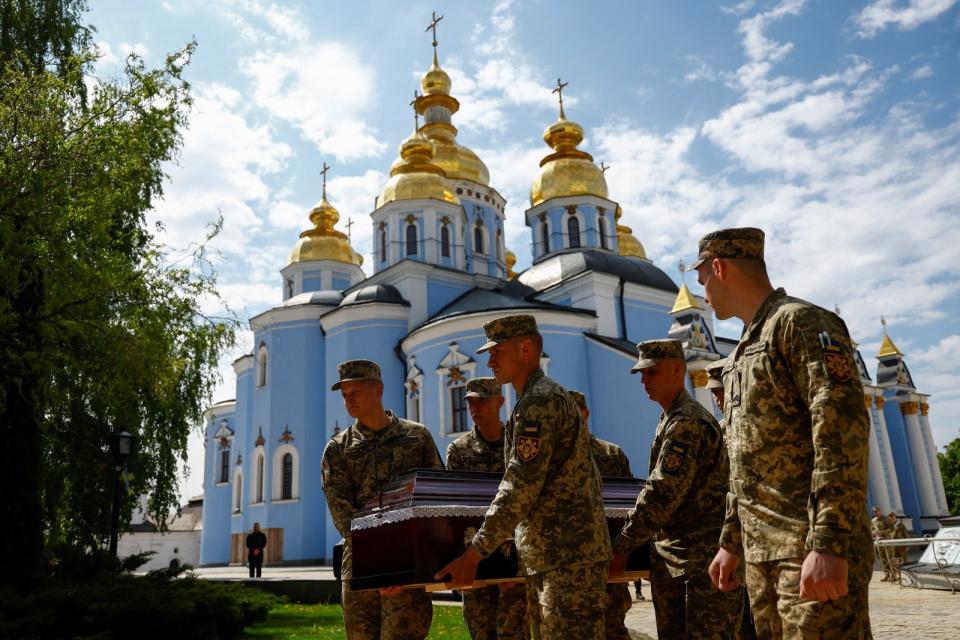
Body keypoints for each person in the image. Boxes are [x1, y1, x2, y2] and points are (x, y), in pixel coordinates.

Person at [697, 228, 874, 639]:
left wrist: (828, 542)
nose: (701, 288)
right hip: (764, 558)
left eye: (702, 277)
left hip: (806, 548)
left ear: (719, 267)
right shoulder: (743, 349)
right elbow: (743, 459)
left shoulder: (800, 323)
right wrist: (731, 542)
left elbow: (840, 433)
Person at [434, 314, 611, 638]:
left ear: (525, 348)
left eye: (496, 352)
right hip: (553, 554)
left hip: (565, 556)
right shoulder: (535, 400)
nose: (488, 361)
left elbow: (519, 485)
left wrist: (474, 554)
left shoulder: (539, 402)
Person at [609, 339, 742, 639]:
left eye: (651, 372)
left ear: (677, 369)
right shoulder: (671, 419)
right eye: (641, 374)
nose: (644, 380)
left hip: (699, 565)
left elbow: (663, 492)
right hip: (678, 562)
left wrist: (623, 544)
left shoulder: (687, 423)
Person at [322, 359, 445, 640]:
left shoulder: (417, 437)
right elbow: (343, 514)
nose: (348, 400)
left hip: (411, 565)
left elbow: (436, 497)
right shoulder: (338, 449)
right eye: (344, 395)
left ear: (377, 390)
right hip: (361, 567)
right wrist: (381, 565)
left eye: (355, 392)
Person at [446, 377, 528, 640]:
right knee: (481, 630)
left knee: (515, 630)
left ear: (501, 401)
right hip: (475, 557)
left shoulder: (520, 444)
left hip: (517, 554)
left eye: (482, 400)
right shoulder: (459, 450)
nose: (475, 407)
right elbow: (457, 507)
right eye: (470, 402)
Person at [570, 389, 634, 640]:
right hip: (571, 562)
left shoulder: (611, 455)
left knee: (613, 625)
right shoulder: (553, 458)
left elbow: (629, 506)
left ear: (585, 414)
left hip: (609, 557)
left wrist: (624, 548)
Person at [706, 358, 758, 640]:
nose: (718, 398)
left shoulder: (757, 425)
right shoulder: (720, 431)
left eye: (722, 390)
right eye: (713, 392)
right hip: (733, 542)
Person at [871, 506, 892, 582]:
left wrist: (883, 532)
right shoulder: (873, 520)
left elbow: (892, 528)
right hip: (879, 542)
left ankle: (893, 575)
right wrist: (874, 533)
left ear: (880, 511)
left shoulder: (886, 519)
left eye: (876, 511)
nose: (875, 513)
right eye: (874, 511)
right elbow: (872, 529)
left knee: (889, 558)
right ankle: (886, 575)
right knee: (882, 558)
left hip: (887, 541)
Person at [887, 512, 909, 584]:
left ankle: (906, 577)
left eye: (892, 518)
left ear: (894, 517)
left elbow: (906, 535)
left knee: (902, 562)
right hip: (894, 548)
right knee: (895, 562)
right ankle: (898, 577)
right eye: (890, 519)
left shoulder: (900, 525)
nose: (891, 520)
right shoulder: (890, 527)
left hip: (902, 547)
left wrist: (907, 546)